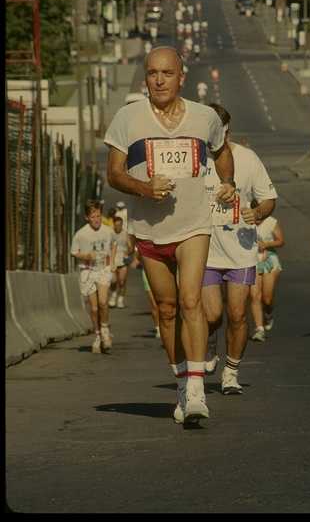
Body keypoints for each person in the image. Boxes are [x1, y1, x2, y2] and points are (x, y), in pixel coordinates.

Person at [104, 46, 235, 424]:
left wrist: (227, 182)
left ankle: (196, 391)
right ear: (145, 78)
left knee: (191, 299)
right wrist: (143, 188)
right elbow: (113, 174)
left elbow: (222, 150)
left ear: (182, 77)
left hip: (194, 223)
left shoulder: (204, 117)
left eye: (166, 73)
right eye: (151, 73)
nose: (159, 80)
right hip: (149, 228)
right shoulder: (128, 118)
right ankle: (181, 382)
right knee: (166, 308)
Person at [202, 103, 277, 393]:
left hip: (241, 251)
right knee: (212, 315)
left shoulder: (247, 158)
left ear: (225, 130)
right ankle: (210, 341)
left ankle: (231, 373)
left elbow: (269, 199)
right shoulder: (194, 159)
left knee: (236, 315)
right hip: (205, 250)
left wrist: (257, 214)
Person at [71, 200, 117, 353]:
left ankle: (104, 329)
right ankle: (97, 335)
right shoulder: (81, 234)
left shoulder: (108, 230)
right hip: (88, 271)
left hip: (103, 269)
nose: (96, 220)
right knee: (94, 308)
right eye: (93, 217)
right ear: (87, 217)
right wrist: (86, 255)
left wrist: (113, 263)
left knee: (104, 302)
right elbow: (73, 252)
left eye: (98, 216)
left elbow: (114, 244)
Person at [249, 199, 284, 342]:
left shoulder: (271, 222)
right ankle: (259, 329)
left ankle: (268, 313)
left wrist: (267, 244)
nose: (257, 216)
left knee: (267, 298)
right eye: (255, 212)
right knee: (255, 296)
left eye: (260, 212)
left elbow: (281, 240)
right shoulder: (245, 222)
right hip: (252, 261)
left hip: (269, 259)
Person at [108, 216, 131, 309]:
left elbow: (130, 247)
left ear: (122, 225)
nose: (118, 227)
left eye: (120, 225)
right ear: (114, 224)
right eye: (116, 225)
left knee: (122, 281)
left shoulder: (125, 234)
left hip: (123, 260)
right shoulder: (110, 233)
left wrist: (128, 252)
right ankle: (113, 296)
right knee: (113, 280)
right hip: (112, 260)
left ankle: (120, 299)